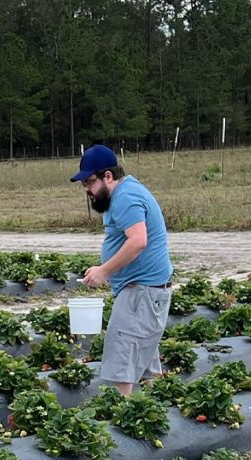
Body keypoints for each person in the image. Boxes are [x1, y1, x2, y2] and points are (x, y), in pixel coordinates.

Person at [73, 144, 173, 396]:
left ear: (108, 176)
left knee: (122, 357)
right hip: (145, 291)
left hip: (141, 292)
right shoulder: (126, 192)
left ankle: (123, 418)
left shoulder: (125, 197)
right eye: (84, 184)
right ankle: (157, 409)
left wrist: (105, 271)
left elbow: (138, 241)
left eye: (90, 182)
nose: (87, 190)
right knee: (145, 361)